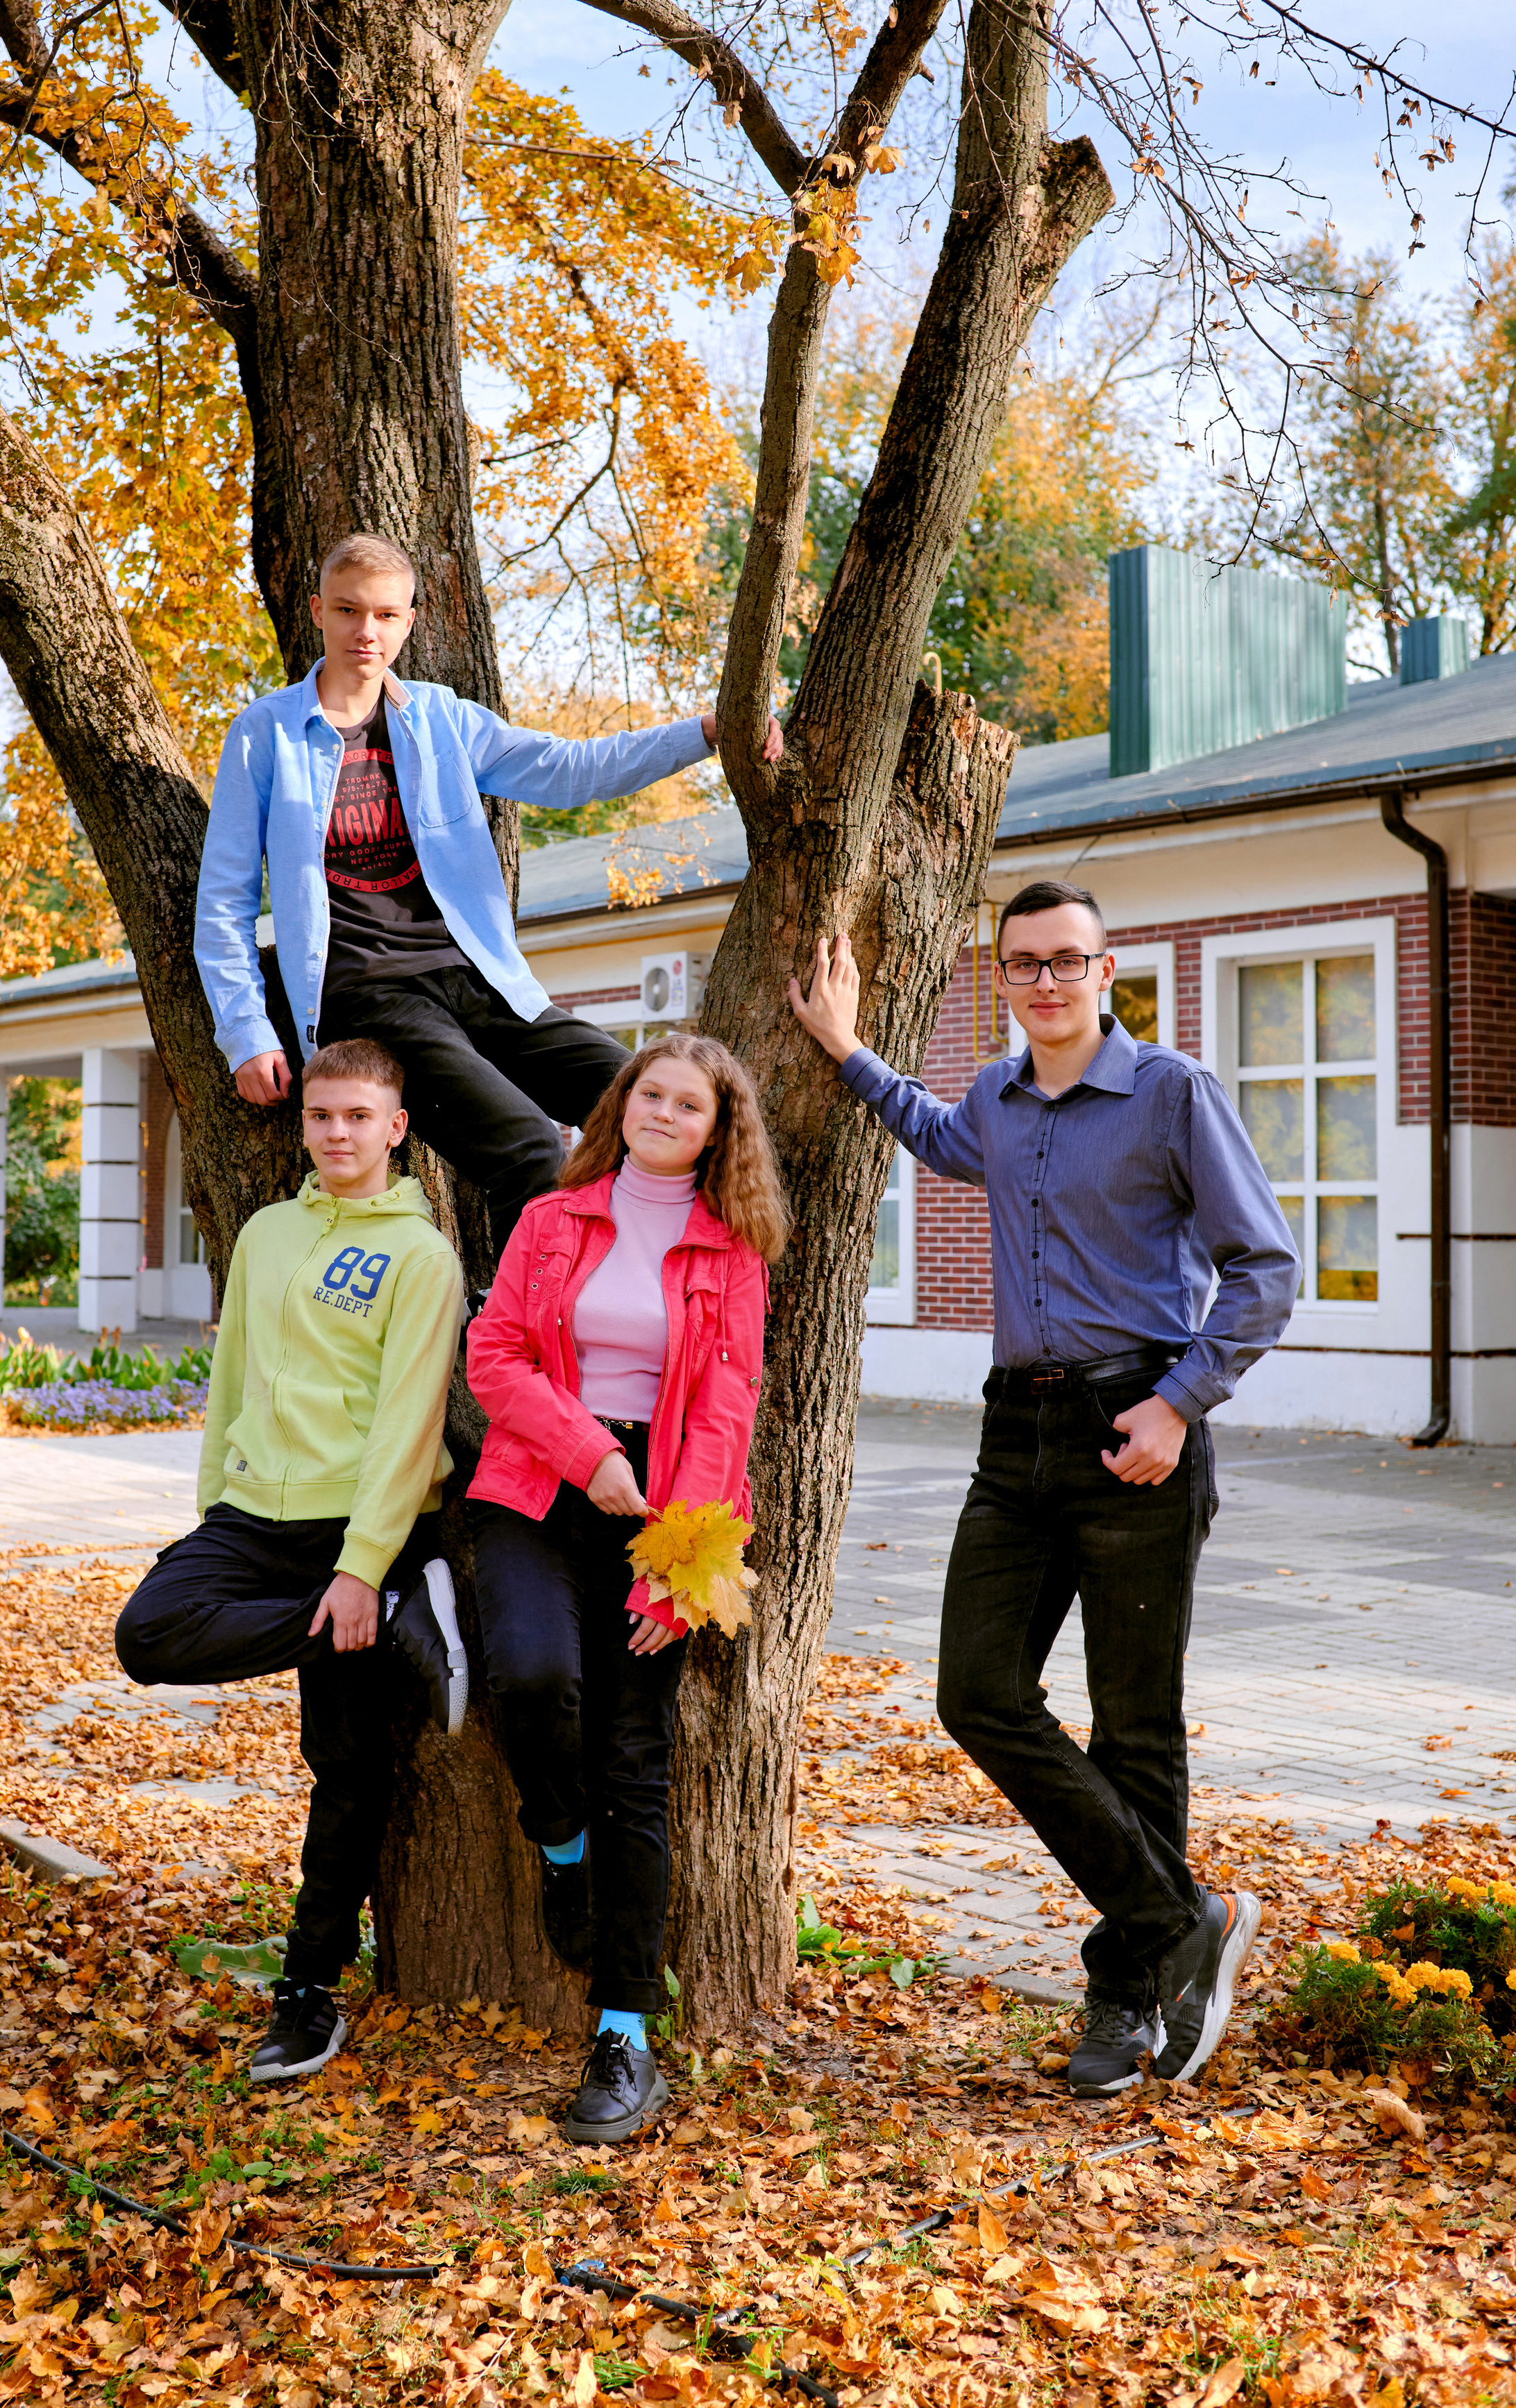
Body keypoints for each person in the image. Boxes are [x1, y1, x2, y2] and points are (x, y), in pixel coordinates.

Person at [789, 881, 1299, 2098]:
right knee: (977, 1692)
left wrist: (1179, 1405)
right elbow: (934, 1132)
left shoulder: (1174, 1094)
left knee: (1135, 1732)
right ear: (1004, 981)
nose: (1048, 982)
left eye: (1069, 961)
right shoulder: (997, 1100)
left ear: (1106, 971)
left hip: (1137, 1430)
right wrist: (844, 1047)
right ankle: (1187, 1920)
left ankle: (1130, 1995)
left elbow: (1265, 1266)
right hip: (1013, 1438)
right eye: (1025, 965)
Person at [194, 529, 782, 1264]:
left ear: (409, 620)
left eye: (384, 615)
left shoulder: (441, 720)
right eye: (347, 611)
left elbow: (571, 771)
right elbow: (223, 902)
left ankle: (662, 1295)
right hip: (369, 993)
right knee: (530, 1149)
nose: (365, 632)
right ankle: (523, 1346)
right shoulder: (265, 736)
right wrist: (245, 1033)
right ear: (318, 611)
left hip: (480, 977)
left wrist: (705, 733)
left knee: (647, 1100)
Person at [114, 1037, 465, 2083]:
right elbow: (230, 1376)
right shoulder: (266, 1235)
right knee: (148, 1634)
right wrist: (213, 1502)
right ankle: (399, 1617)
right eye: (322, 1116)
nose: (338, 1133)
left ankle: (308, 1994)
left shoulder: (421, 1256)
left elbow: (412, 1422)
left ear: (396, 1128)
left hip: (352, 1525)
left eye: (359, 1117)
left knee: (347, 1772)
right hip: (250, 1522)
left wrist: (362, 1564)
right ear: (303, 1122)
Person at [464, 1034, 788, 2142]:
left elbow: (723, 1415)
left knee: (635, 1764)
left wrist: (681, 1573)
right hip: (535, 1489)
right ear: (622, 1105)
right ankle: (561, 1846)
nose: (661, 1113)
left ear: (717, 1129)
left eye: (687, 1105)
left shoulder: (732, 1251)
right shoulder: (554, 1219)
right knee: (534, 1676)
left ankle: (625, 2036)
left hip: (664, 1514)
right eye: (648, 1093)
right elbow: (495, 1353)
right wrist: (585, 1454)